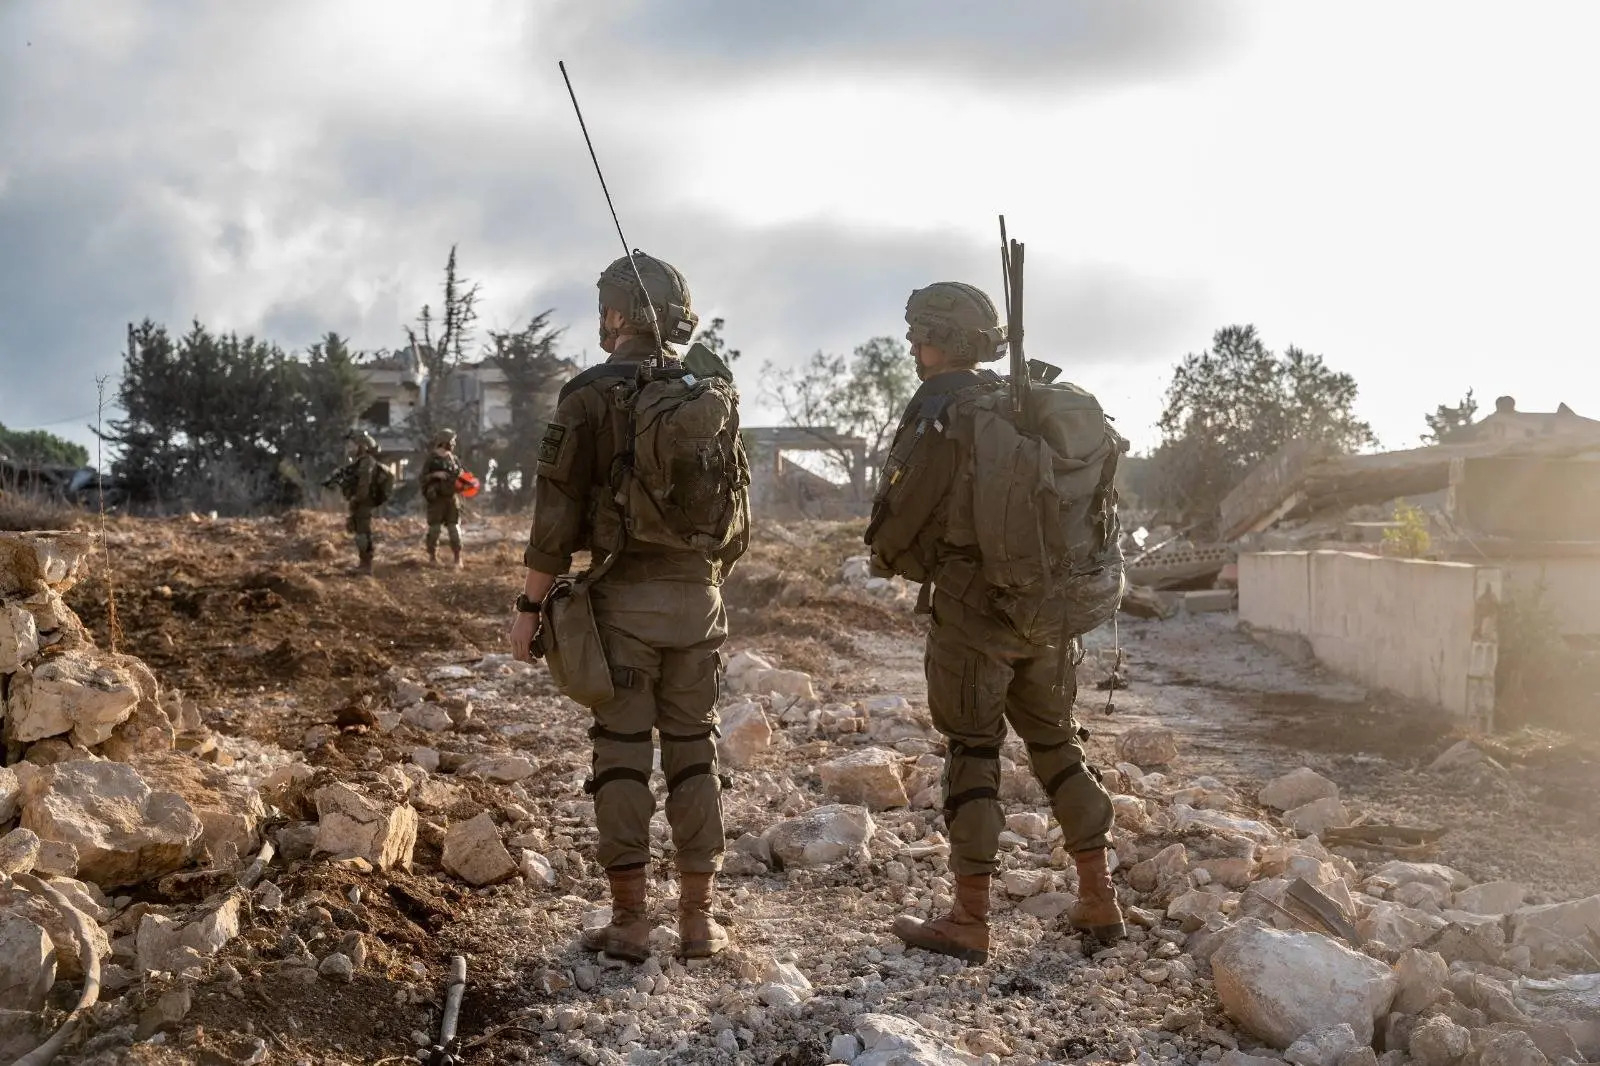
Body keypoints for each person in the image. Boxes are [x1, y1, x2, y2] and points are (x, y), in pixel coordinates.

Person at [864, 281, 1126, 965]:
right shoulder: (1025, 407)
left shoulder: (943, 407)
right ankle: (1099, 898)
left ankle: (969, 918)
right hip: (1049, 617)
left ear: (940, 339)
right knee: (1058, 745)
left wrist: (894, 555)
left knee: (973, 754)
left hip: (974, 616)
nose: (913, 345)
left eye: (920, 333)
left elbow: (899, 518)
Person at [508, 250, 750, 963]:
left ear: (615, 316)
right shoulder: (707, 394)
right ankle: (700, 921)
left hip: (621, 603)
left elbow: (553, 518)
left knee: (620, 755)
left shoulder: (586, 394)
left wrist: (528, 608)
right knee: (693, 752)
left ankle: (631, 921)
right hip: (700, 600)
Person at [325, 430, 391, 576]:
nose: (350, 447)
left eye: (353, 444)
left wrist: (356, 499)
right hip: (361, 501)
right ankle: (364, 563)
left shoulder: (366, 462)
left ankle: (365, 566)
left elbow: (363, 485)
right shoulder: (360, 462)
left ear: (362, 446)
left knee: (363, 533)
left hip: (363, 502)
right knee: (360, 532)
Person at [420, 428, 465, 568]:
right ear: (444, 441)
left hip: (451, 498)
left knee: (454, 528)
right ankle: (432, 557)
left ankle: (457, 559)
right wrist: (435, 475)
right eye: (452, 441)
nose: (453, 443)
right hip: (436, 499)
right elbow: (422, 478)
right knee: (434, 529)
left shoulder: (453, 459)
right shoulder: (432, 459)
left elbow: (461, 474)